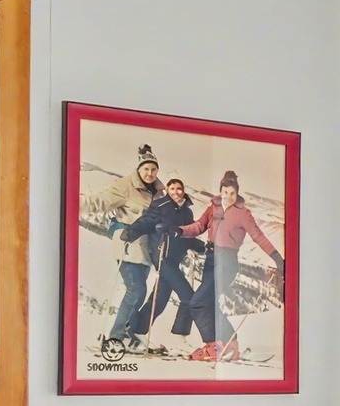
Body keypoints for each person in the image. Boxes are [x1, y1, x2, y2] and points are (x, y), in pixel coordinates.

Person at [178, 170, 284, 354]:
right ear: (220, 191)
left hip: (227, 261)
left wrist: (276, 257)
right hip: (210, 259)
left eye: (232, 193)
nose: (228, 196)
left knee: (198, 303)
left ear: (237, 193)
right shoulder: (213, 207)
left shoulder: (243, 213)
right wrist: (179, 231)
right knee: (209, 303)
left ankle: (214, 345)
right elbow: (199, 226)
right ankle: (231, 344)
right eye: (225, 192)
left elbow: (258, 236)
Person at [129, 176, 203, 350]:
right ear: (168, 191)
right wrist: (131, 232)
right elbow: (146, 221)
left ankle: (136, 332)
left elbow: (188, 234)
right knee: (189, 297)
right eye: (172, 189)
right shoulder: (160, 205)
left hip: (174, 259)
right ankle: (179, 337)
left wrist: (202, 246)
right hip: (162, 256)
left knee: (159, 298)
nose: (176, 192)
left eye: (179, 189)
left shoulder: (187, 212)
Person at [103, 147, 164, 349]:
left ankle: (127, 333)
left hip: (146, 250)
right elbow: (114, 213)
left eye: (153, 170)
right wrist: (118, 230)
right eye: (146, 169)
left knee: (140, 290)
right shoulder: (127, 187)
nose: (150, 173)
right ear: (139, 169)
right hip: (128, 248)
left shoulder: (158, 193)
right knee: (135, 290)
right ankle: (117, 336)